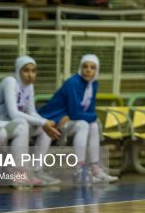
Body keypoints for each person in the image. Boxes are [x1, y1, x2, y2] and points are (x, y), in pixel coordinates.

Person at [38, 54, 118, 184]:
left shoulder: (93, 84)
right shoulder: (73, 83)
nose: (88, 70)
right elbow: (76, 113)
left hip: (68, 119)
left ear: (96, 70)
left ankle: (95, 169)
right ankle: (79, 170)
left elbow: (89, 110)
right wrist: (95, 116)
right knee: (85, 124)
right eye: (85, 66)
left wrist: (92, 117)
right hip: (54, 119)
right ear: (80, 68)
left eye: (92, 67)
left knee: (93, 125)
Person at [0, 55, 61, 186]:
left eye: (33, 70)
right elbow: (13, 113)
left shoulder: (29, 86)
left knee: (44, 130)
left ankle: (37, 171)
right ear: (18, 71)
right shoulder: (10, 81)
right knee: (24, 123)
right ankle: (19, 173)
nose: (30, 74)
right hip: (2, 122)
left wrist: (47, 123)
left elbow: (32, 111)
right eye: (26, 70)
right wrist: (43, 122)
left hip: (15, 124)